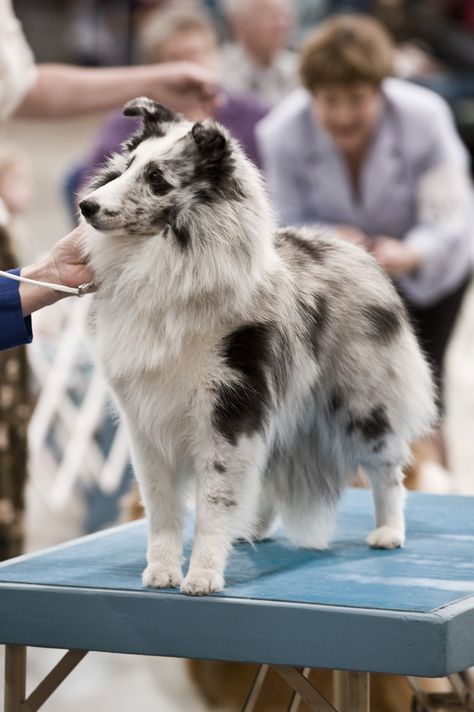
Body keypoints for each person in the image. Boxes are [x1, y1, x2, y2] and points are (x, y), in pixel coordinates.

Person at [256, 14, 473, 469]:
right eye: (329, 100)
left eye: (357, 98)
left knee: (425, 396)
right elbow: (286, 221)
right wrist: (333, 240)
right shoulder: (279, 133)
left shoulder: (425, 116)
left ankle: (439, 486)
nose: (342, 114)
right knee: (358, 394)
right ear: (309, 95)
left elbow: (452, 215)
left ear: (380, 89)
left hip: (431, 273)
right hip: (342, 281)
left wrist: (412, 253)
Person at [66, 7, 269, 207]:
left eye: (198, 54)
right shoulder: (126, 123)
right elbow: (88, 195)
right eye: (177, 59)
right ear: (157, 68)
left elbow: (279, 197)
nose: (191, 68)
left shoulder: (256, 118)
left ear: (216, 54)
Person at [219, 0, 297, 106]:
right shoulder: (218, 74)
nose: (281, 24)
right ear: (240, 23)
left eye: (284, 15)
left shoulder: (298, 69)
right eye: (270, 16)